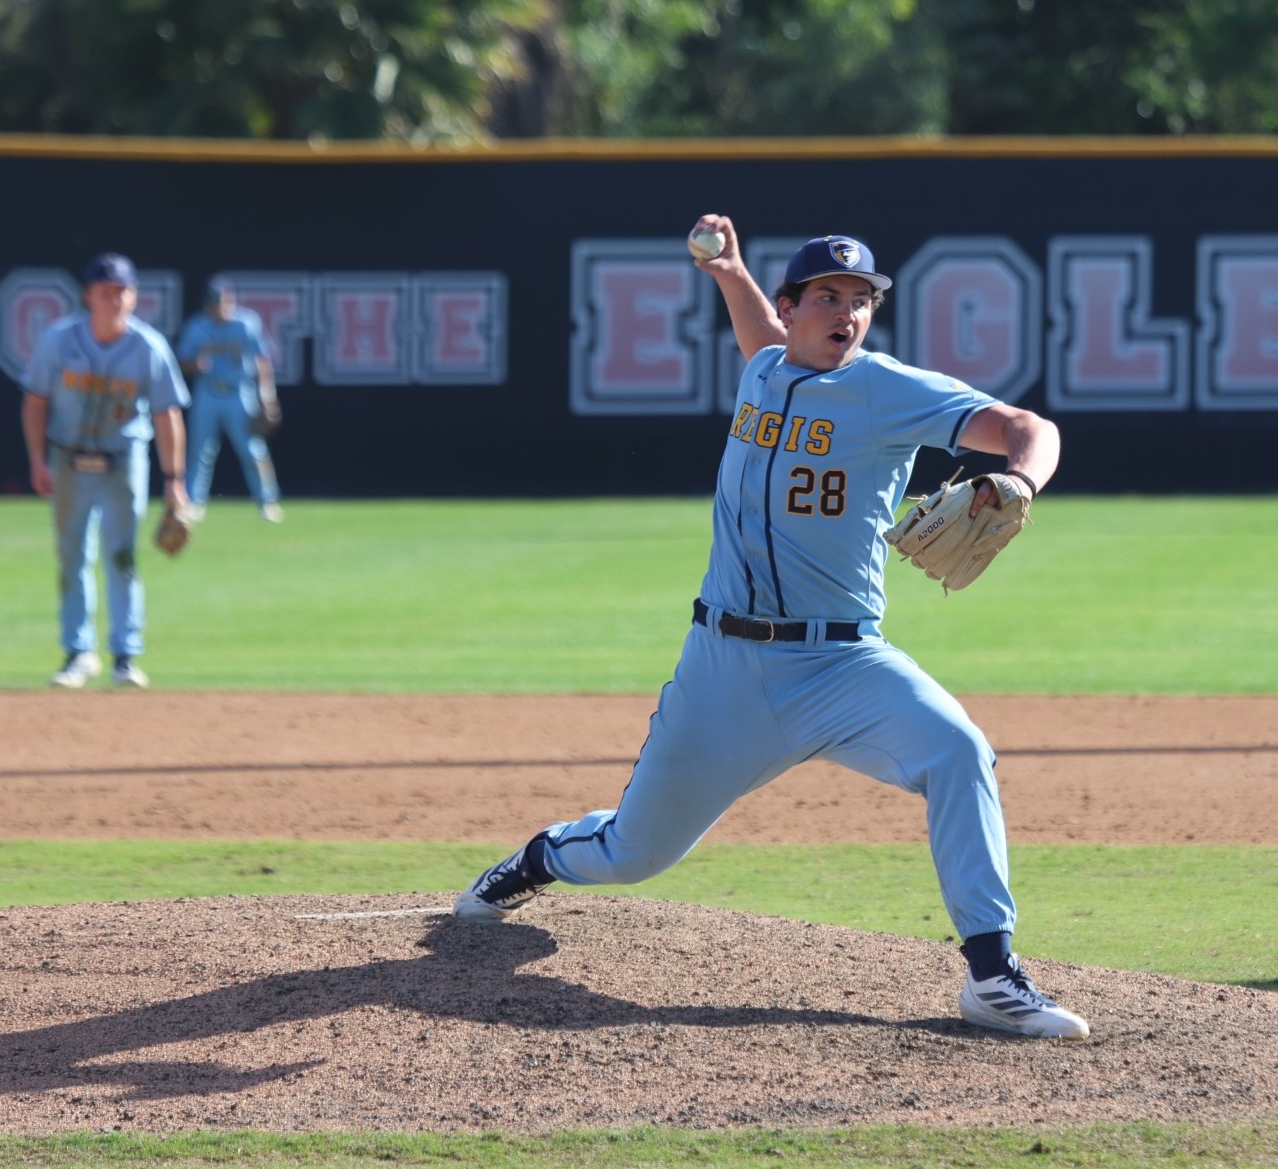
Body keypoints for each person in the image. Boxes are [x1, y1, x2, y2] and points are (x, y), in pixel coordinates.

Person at [454, 216, 1087, 1040]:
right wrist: (729, 272)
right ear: (794, 307)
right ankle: (539, 857)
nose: (847, 313)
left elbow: (1026, 428)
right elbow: (763, 338)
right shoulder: (764, 367)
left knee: (957, 749)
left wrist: (1021, 482)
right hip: (722, 670)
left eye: (861, 299)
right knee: (633, 853)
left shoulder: (886, 389)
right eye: (828, 296)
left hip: (842, 666)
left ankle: (992, 973)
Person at [19, 253, 191, 690]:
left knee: (123, 558)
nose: (114, 299)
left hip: (122, 460)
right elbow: (36, 400)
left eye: (122, 291)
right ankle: (79, 653)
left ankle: (125, 656)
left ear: (134, 297)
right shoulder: (60, 341)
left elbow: (167, 415)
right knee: (72, 556)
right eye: (105, 291)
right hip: (68, 459)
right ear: (88, 296)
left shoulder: (148, 347)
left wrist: (174, 481)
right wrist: (37, 459)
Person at [175, 280, 284, 522]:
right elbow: (181, 362)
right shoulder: (198, 326)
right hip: (208, 392)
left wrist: (267, 397)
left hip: (239, 393)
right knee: (200, 452)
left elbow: (262, 361)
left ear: (230, 301)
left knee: (253, 450)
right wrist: (194, 365)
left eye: (221, 302)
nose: (217, 308)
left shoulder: (246, 323)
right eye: (212, 303)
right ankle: (193, 502)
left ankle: (268, 501)